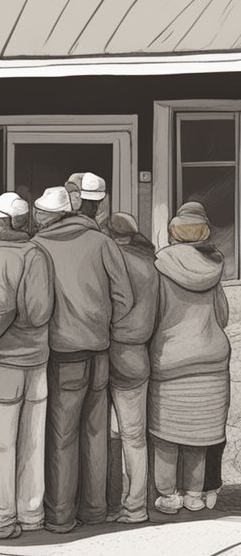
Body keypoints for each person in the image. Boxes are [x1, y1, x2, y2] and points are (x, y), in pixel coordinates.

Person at [32, 184, 131, 532]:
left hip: (62, 353)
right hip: (99, 350)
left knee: (62, 435)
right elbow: (125, 297)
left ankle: (60, 514)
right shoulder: (102, 242)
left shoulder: (38, 247)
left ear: (50, 216)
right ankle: (94, 509)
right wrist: (105, 327)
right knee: (95, 432)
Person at [0, 192, 53, 539]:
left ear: (0, 223)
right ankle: (32, 512)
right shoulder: (36, 253)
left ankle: (3, 516)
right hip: (36, 359)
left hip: (1, 360)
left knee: (1, 443)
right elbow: (39, 312)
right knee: (33, 439)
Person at [149, 208, 231, 514]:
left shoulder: (160, 268)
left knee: (166, 437)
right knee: (199, 438)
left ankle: (168, 495)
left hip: (170, 362)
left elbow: (153, 315)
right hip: (210, 364)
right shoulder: (213, 269)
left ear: (172, 233)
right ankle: (195, 495)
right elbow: (222, 316)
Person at [105, 212, 159, 524]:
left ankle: (110, 502)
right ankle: (136, 504)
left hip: (106, 353)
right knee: (134, 436)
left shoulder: (110, 260)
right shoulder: (151, 265)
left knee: (106, 436)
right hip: (138, 356)